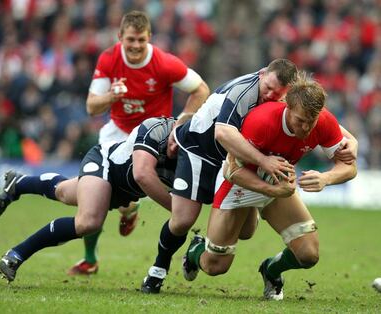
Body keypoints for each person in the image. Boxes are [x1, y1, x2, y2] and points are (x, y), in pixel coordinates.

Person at [0, 10, 209, 276]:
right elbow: (92, 107)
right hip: (115, 139)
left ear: (149, 38)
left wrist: (181, 122)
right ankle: (90, 256)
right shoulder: (109, 59)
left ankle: (21, 184)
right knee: (92, 213)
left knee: (69, 193)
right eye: (130, 40)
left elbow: (201, 89)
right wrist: (110, 96)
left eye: (141, 40)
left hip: (152, 141)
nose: (136, 46)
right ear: (120, 38)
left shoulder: (164, 63)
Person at [140, 59, 358, 294]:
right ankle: (192, 253)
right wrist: (269, 176)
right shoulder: (259, 118)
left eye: (311, 123)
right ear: (287, 107)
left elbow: (349, 165)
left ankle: (272, 271)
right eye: (300, 122)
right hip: (230, 172)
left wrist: (327, 177)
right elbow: (231, 168)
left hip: (274, 180)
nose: (306, 129)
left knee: (308, 255)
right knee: (215, 264)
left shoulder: (318, 118)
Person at [0, 115, 190, 282]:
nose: (174, 147)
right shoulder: (156, 127)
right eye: (174, 139)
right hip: (105, 163)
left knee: (63, 192)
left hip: (125, 192)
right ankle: (16, 255)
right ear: (173, 128)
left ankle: (18, 183)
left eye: (180, 146)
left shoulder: (194, 158)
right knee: (89, 222)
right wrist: (180, 211)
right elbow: (142, 174)